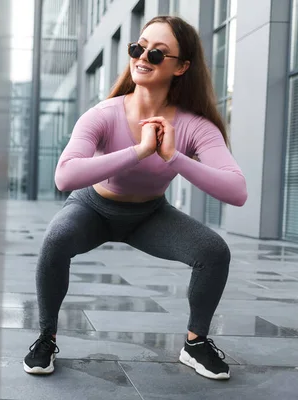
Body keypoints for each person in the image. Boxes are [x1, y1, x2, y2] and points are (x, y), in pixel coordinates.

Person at [23, 15, 247, 381]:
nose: (143, 57)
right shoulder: (103, 114)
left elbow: (236, 191)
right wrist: (139, 152)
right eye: (137, 47)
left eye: (157, 53)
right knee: (56, 239)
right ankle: (46, 337)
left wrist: (173, 157)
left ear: (182, 67)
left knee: (213, 251)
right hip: (91, 208)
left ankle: (195, 344)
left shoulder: (194, 125)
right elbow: (65, 176)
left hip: (149, 216)